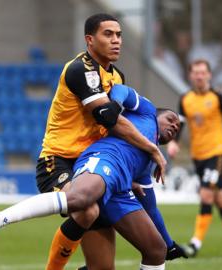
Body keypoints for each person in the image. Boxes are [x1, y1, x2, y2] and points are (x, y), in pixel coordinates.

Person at [0, 85, 181, 270]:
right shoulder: (147, 111)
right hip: (104, 160)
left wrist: (170, 243)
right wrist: (114, 105)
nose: (173, 126)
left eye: (177, 128)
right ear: (158, 114)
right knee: (81, 199)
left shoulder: (152, 162)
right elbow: (121, 90)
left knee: (155, 249)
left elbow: (150, 207)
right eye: (170, 119)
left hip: (119, 188)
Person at [36, 13, 167, 270]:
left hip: (96, 166)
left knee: (106, 267)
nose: (116, 40)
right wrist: (152, 148)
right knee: (87, 210)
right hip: (59, 161)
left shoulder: (117, 77)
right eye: (108, 34)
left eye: (119, 35)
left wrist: (124, 175)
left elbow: (114, 135)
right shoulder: (79, 69)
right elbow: (111, 120)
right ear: (89, 40)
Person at [167, 59, 222, 258]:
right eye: (196, 72)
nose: (199, 76)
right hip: (198, 156)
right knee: (219, 200)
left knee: (206, 194)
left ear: (209, 75)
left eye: (203, 72)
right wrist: (174, 142)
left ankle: (195, 244)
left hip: (217, 153)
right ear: (190, 75)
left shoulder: (219, 98)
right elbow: (181, 124)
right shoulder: (185, 99)